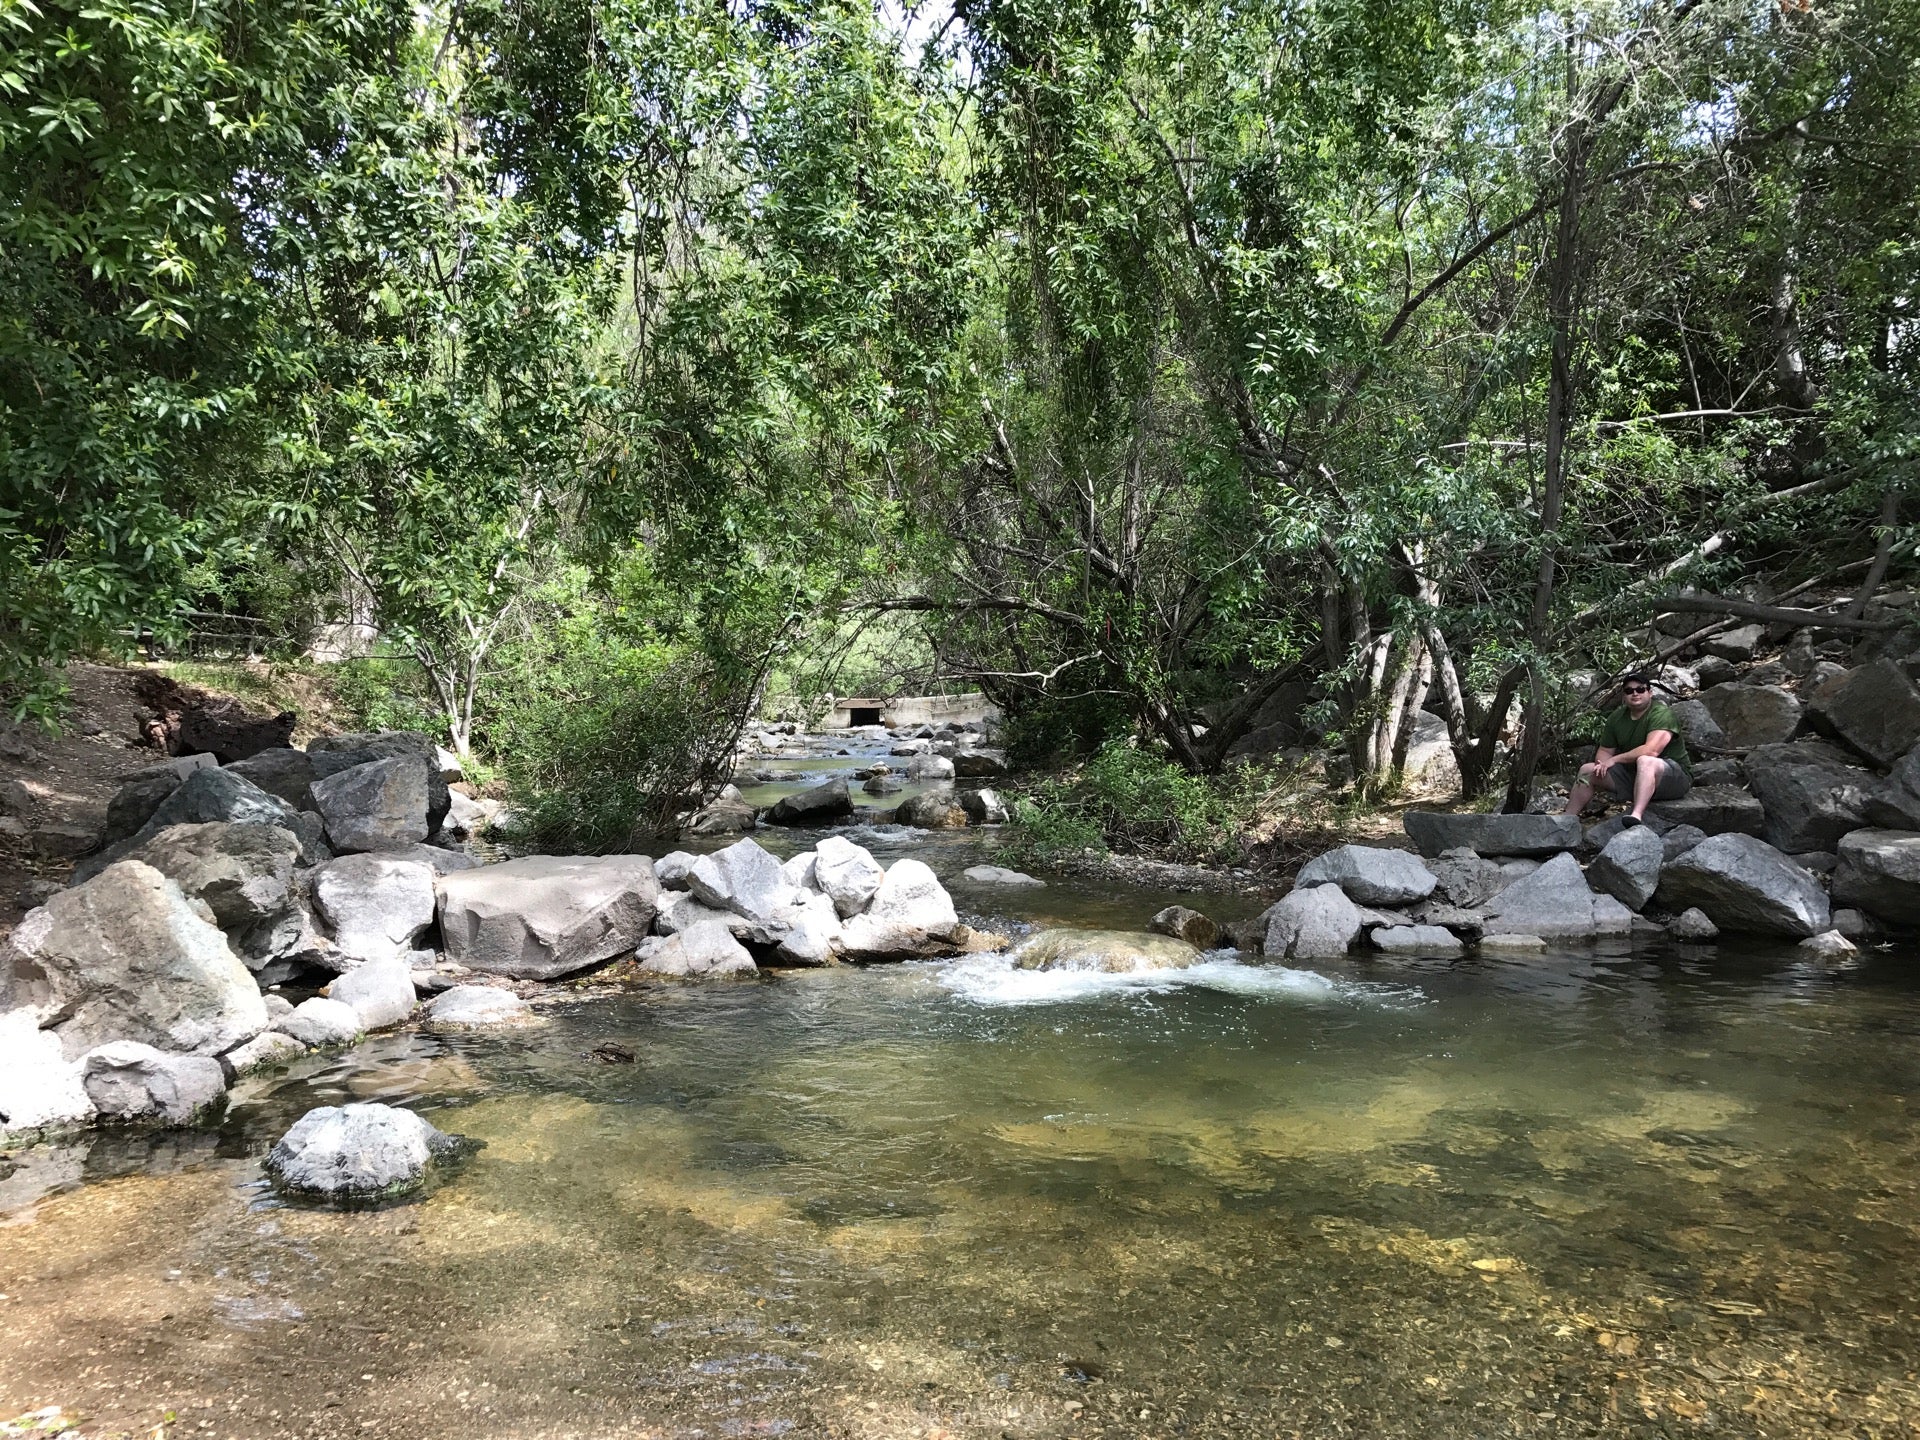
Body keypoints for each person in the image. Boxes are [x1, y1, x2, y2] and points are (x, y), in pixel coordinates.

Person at [1561, 672, 1693, 826]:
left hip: (1674, 779)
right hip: (1634, 777)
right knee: (1587, 770)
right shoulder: (1616, 718)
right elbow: (1605, 751)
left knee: (1646, 761)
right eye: (1629, 691)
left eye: (1640, 689)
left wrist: (1614, 760)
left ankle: (1636, 815)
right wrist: (1603, 765)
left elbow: (1652, 750)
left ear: (1650, 693)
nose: (1635, 693)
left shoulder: (1663, 715)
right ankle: (1566, 819)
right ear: (1624, 696)